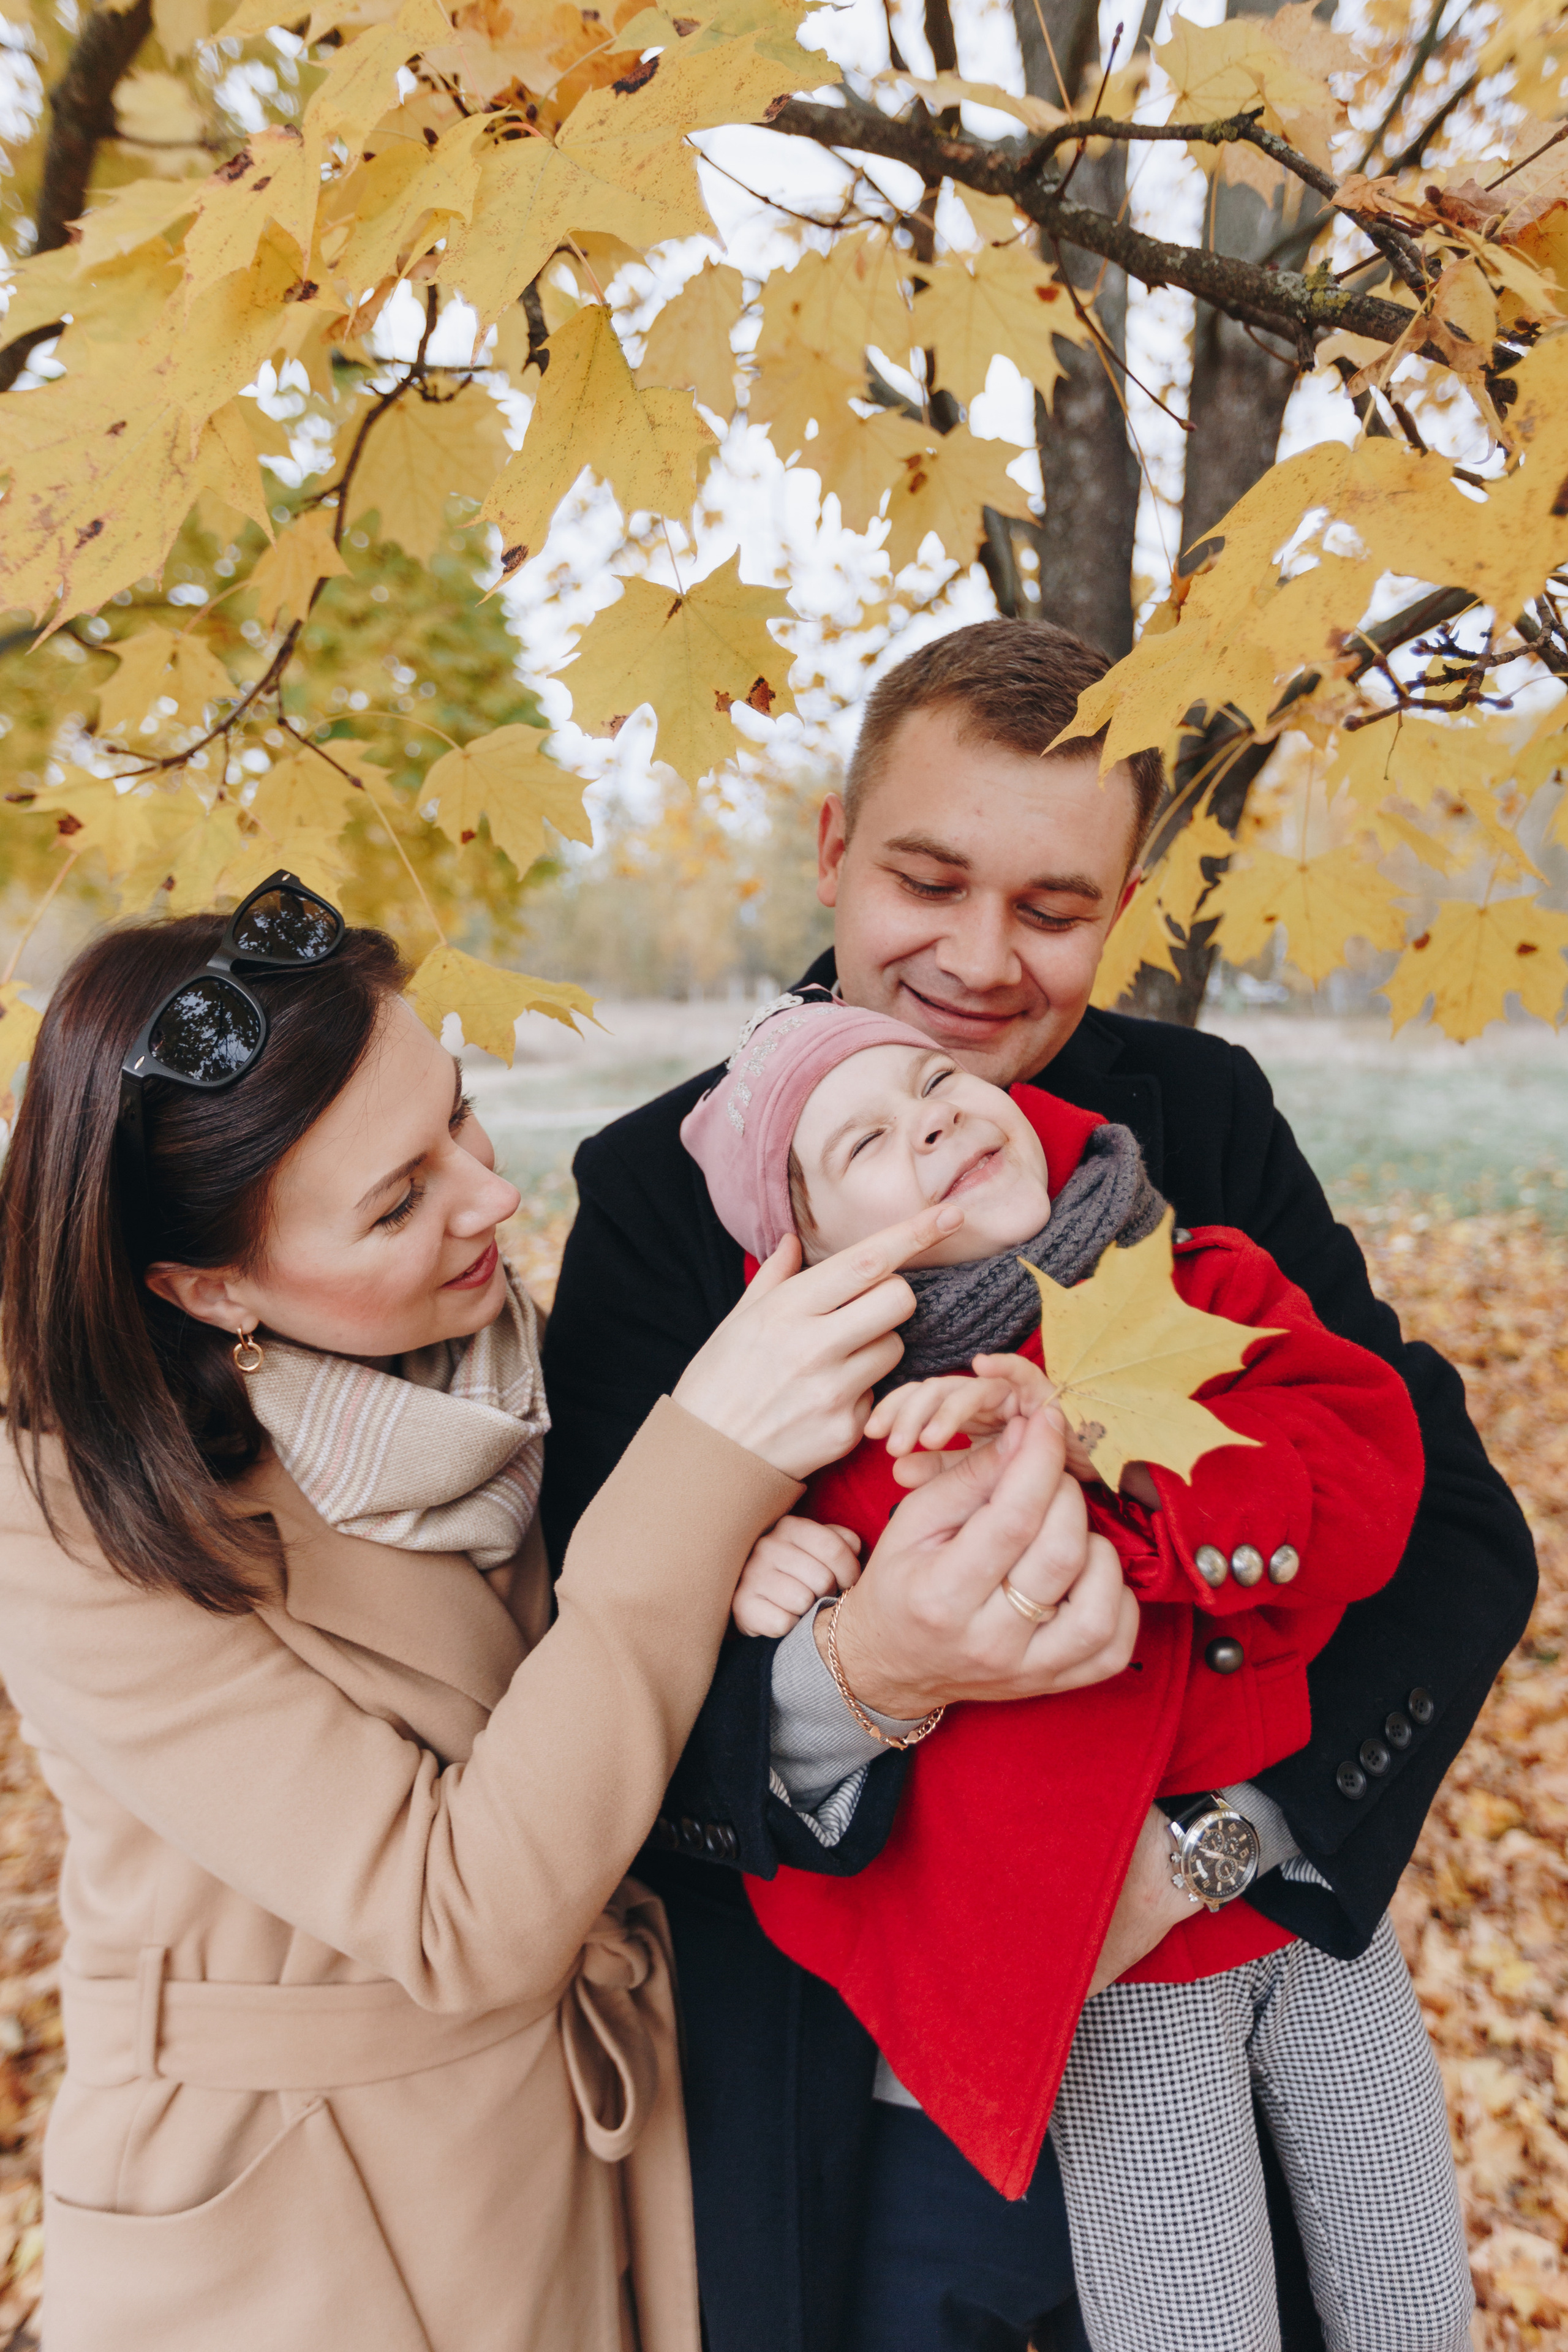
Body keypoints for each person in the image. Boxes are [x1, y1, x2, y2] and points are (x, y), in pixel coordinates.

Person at [540, 620, 1537, 2352]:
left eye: (1056, 909)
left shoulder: (1200, 1120)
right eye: (930, 879)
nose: (982, 963)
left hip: (1226, 1972)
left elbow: (1454, 1531)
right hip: (861, 2099)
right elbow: (595, 1683)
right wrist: (860, 1686)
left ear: (1125, 898)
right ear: (840, 850)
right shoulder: (665, 1191)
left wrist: (1216, 1851)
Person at [0, 873, 1113, 2352]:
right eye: (400, 1200)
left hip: (597, 2145)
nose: (493, 1199)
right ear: (208, 1291)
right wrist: (706, 1465)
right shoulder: (63, 1513)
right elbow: (461, 1915)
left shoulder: (478, 1354)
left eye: (456, 1115)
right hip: (294, 2221)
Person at [684, 995, 1472, 2352]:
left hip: (1300, 1899)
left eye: (935, 1082)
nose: (928, 1115)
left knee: (1409, 2287)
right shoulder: (847, 1435)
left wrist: (1100, 1441)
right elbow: (817, 1657)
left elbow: (1368, 1483)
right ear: (810, 1254)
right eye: (866, 1138)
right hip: (1109, 1958)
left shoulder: (1198, 1276)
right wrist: (764, 1563)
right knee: (1189, 2316)